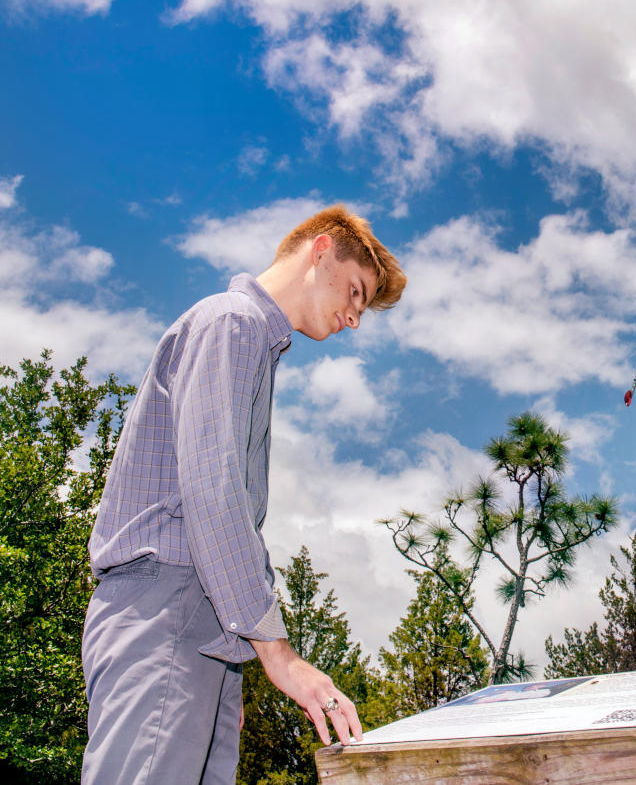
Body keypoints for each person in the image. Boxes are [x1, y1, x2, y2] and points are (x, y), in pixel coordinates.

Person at [82, 205, 406, 784]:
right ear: (321, 250)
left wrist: (232, 661)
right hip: (167, 607)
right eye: (356, 292)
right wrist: (278, 656)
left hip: (203, 629)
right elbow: (212, 494)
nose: (355, 318)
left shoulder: (253, 343)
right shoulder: (230, 323)